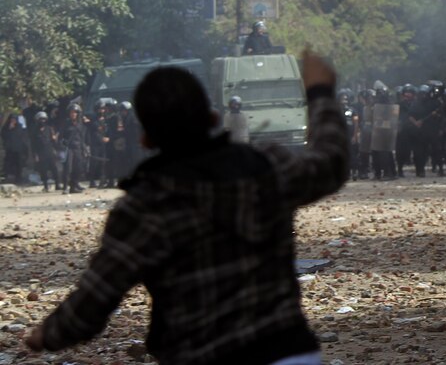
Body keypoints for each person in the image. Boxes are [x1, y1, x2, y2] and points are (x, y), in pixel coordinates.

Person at [25, 50, 348, 365]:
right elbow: (330, 161)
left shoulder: (144, 207)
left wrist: (46, 335)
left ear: (146, 139)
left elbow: (93, 303)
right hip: (288, 350)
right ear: (213, 118)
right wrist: (320, 92)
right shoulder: (266, 168)